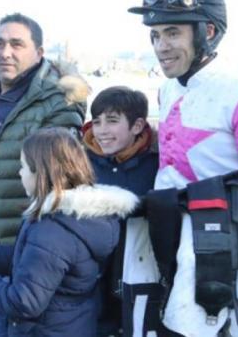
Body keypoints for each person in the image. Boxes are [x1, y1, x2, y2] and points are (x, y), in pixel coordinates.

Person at [127, 0, 238, 336]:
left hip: (230, 256)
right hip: (167, 241)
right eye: (156, 35)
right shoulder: (166, 88)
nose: (161, 46)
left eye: (173, 32)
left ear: (207, 33)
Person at [0, 12, 89, 334]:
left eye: (16, 44)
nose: (5, 52)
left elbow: (60, 180)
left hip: (23, 259)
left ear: (38, 53)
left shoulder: (56, 102)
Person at [0, 128, 139, 336]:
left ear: (42, 172)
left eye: (24, 167)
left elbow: (25, 300)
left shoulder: (52, 231)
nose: (19, 173)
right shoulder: (70, 219)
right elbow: (37, 262)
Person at [81, 86, 159, 336]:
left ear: (137, 126)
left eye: (112, 121)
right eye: (97, 121)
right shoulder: (81, 163)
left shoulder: (157, 165)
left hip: (140, 273)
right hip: (92, 278)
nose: (102, 130)